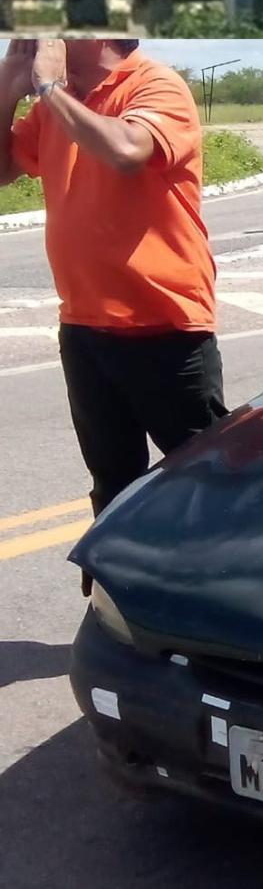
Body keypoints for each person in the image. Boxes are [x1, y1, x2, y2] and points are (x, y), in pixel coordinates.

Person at [0, 38, 227, 576]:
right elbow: (2, 172)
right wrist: (10, 84)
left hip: (164, 325)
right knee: (113, 483)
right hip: (84, 323)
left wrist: (48, 89)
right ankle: (122, 608)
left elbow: (127, 151)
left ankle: (222, 609)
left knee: (202, 483)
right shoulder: (63, 102)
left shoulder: (153, 84)